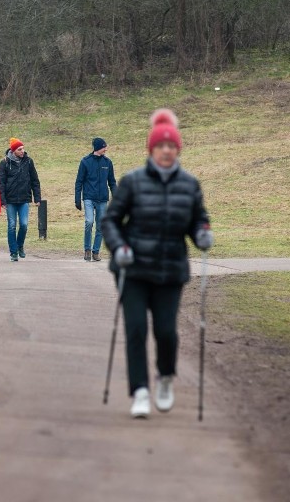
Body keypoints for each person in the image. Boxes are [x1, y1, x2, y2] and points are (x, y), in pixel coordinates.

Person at [101, 108, 213, 419]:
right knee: (136, 330)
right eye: (161, 146)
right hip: (133, 268)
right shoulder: (133, 182)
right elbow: (110, 220)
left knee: (166, 332)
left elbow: (197, 220)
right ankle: (140, 391)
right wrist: (119, 246)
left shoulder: (189, 185)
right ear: (151, 150)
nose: (166, 151)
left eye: (171, 146)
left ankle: (165, 377)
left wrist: (202, 233)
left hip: (169, 271)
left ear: (178, 150)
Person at [0, 137, 41, 262]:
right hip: (10, 200)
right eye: (19, 149)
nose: (23, 151)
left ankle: (20, 245)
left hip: (24, 199)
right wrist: (3, 200)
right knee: (12, 225)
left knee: (24, 225)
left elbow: (35, 180)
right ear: (13, 151)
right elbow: (1, 182)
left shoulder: (28, 162)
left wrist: (37, 197)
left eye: (23, 148)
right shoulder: (5, 162)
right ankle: (13, 252)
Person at [75, 137, 117, 262]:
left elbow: (112, 183)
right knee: (89, 222)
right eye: (104, 147)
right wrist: (77, 198)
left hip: (102, 199)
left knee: (100, 226)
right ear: (98, 148)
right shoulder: (85, 162)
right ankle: (87, 249)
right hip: (88, 197)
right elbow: (79, 182)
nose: (106, 149)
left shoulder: (107, 163)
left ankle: (95, 251)